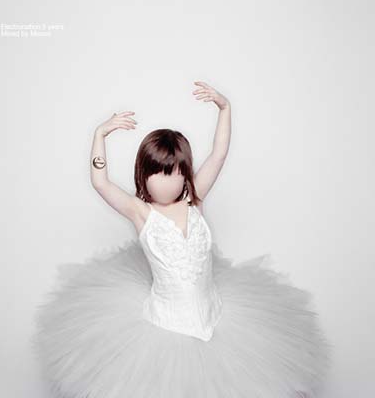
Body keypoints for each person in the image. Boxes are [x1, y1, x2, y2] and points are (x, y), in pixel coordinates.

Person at [32, 81, 333, 398]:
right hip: (167, 324)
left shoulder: (195, 200)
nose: (167, 180)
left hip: (213, 314)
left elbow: (218, 154)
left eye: (175, 171)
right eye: (158, 172)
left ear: (185, 172)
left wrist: (225, 108)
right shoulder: (141, 212)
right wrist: (99, 134)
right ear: (143, 174)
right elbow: (101, 183)